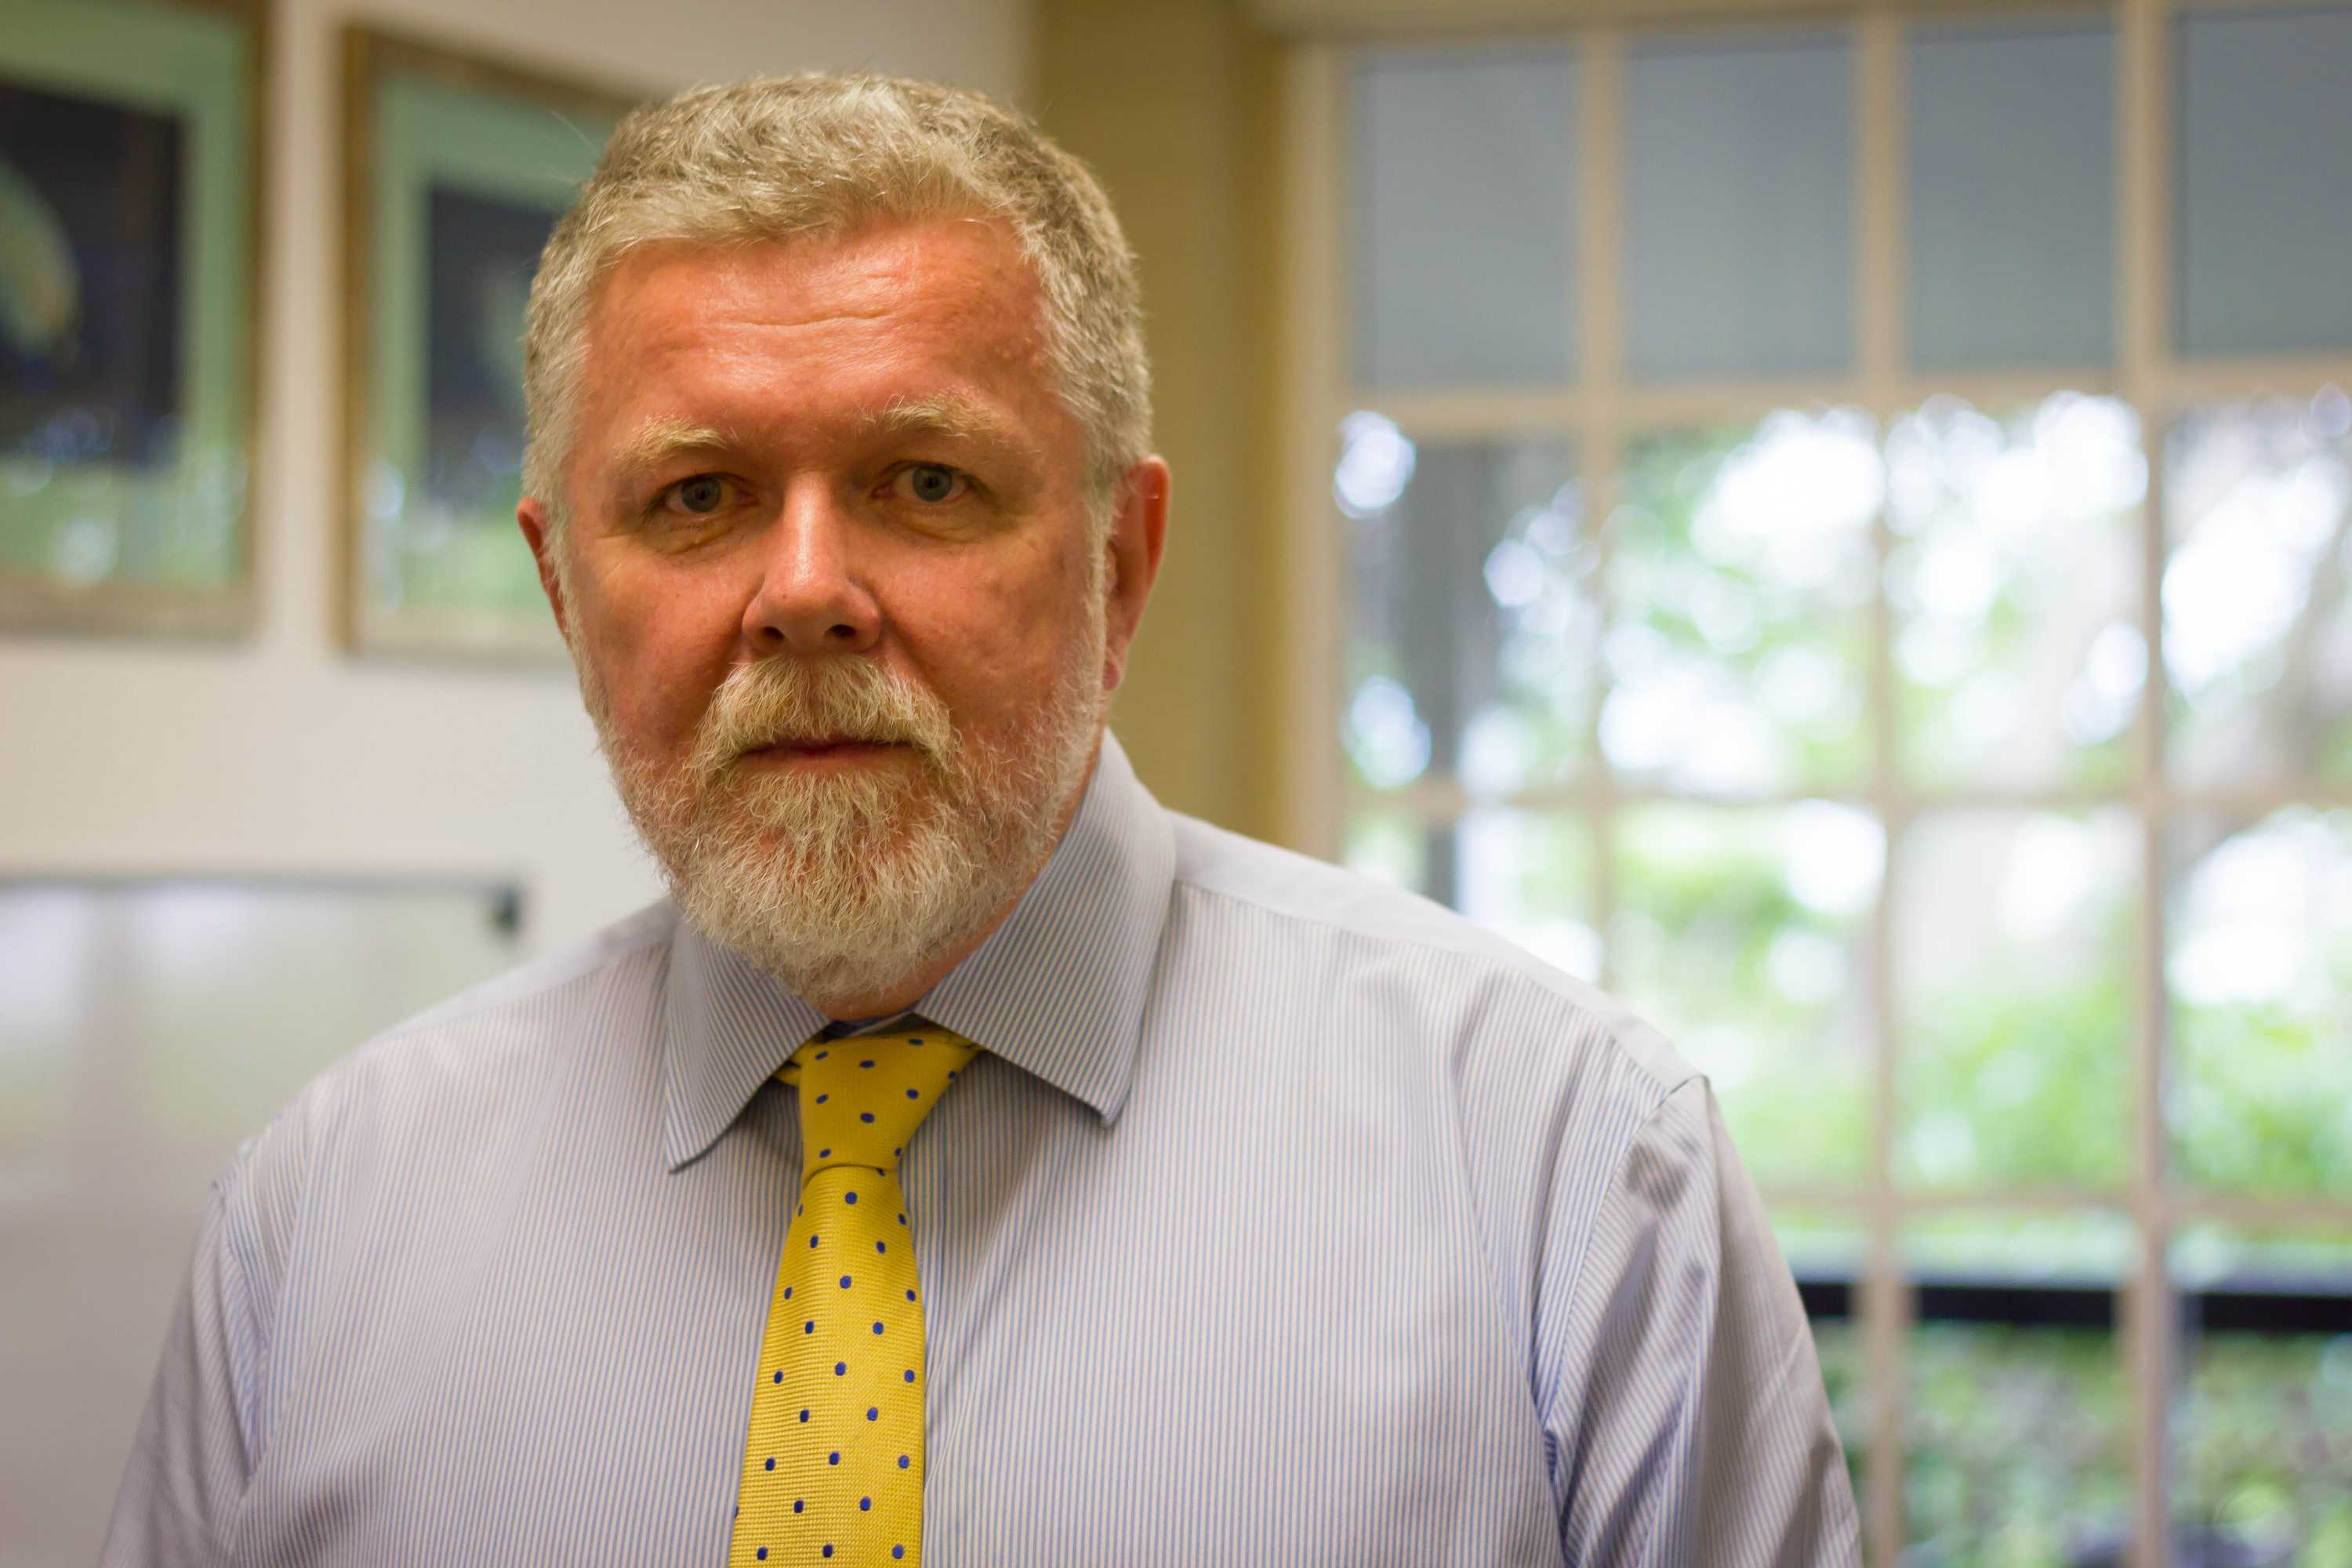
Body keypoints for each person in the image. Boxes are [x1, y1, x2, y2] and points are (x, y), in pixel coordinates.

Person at [103, 72, 1859, 1566]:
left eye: (923, 483)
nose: (804, 594)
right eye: (698, 496)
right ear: (568, 592)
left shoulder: (1567, 1174)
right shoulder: (321, 1222)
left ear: (1119, 561)